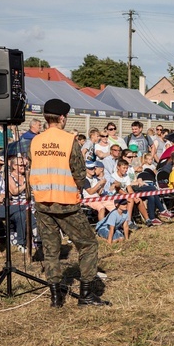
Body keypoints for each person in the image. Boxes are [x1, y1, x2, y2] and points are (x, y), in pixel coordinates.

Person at [29, 98, 110, 307]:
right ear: (62, 118)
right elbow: (80, 172)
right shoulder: (68, 140)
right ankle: (86, 295)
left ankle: (56, 298)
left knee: (51, 249)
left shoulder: (35, 141)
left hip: (42, 202)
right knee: (88, 244)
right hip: (65, 203)